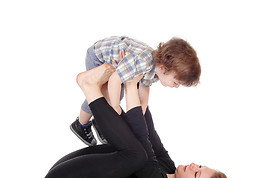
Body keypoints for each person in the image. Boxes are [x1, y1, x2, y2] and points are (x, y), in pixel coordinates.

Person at [42, 64, 241, 178]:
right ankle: (103, 88)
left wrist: (129, 85)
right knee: (136, 148)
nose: (192, 165)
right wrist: (140, 79)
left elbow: (142, 144)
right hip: (66, 169)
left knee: (137, 155)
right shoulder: (168, 168)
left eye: (196, 173)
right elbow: (148, 132)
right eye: (200, 165)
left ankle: (91, 88)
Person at [70, 36, 201, 146]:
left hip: (115, 65)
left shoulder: (155, 71)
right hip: (98, 58)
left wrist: (140, 111)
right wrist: (115, 108)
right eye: (176, 82)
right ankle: (81, 124)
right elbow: (115, 80)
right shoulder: (144, 63)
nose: (176, 87)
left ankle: (99, 121)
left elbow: (144, 87)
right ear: (163, 68)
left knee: (113, 95)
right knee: (100, 95)